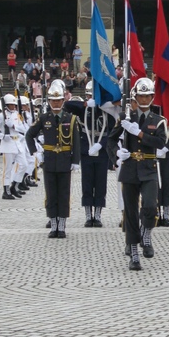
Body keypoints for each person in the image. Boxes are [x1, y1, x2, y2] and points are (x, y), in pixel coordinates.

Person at [107, 78, 167, 271]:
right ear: (136, 96)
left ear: (152, 97)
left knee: (150, 205)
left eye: (147, 96)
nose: (144, 99)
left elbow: (160, 143)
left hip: (149, 167)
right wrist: (117, 153)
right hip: (130, 168)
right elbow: (110, 140)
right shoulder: (126, 117)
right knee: (131, 212)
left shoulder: (158, 120)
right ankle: (133, 253)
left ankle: (146, 233)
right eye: (141, 96)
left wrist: (139, 134)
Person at [26, 79, 81, 238]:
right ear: (49, 101)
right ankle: (53, 224)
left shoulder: (70, 118)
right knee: (51, 193)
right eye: (53, 100)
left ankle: (61, 225)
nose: (56, 103)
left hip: (65, 159)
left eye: (58, 100)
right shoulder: (44, 118)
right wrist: (35, 152)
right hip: (49, 160)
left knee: (63, 193)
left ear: (63, 100)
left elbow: (76, 141)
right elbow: (29, 135)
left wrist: (75, 161)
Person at [64, 81, 116, 227]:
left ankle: (97, 215)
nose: (90, 98)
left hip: (101, 151)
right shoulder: (83, 109)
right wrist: (86, 104)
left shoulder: (107, 110)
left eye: (93, 96)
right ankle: (88, 215)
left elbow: (112, 131)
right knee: (87, 183)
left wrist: (102, 144)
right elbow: (67, 105)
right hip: (86, 149)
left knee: (100, 183)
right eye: (88, 96)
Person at [0, 93, 28, 200]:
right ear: (6, 105)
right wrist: (2, 136)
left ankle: (14, 186)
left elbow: (23, 129)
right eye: (11, 105)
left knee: (24, 165)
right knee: (7, 169)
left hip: (17, 142)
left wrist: (13, 126)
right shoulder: (1, 116)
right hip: (7, 143)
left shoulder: (17, 115)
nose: (13, 106)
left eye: (14, 105)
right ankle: (6, 190)